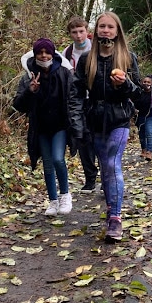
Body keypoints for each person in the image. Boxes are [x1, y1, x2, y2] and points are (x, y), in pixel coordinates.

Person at [70, 12, 141, 242]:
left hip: (120, 118)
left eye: (110, 27)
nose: (106, 30)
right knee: (105, 168)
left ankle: (116, 218)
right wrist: (77, 124)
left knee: (112, 163)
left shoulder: (128, 58)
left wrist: (124, 85)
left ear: (117, 31)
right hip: (95, 119)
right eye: (102, 26)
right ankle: (112, 208)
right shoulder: (86, 60)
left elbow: (140, 94)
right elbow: (76, 94)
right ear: (96, 30)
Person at [14, 38, 75, 216]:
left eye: (47, 52)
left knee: (58, 159)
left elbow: (74, 97)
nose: (43, 55)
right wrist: (30, 91)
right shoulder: (28, 76)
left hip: (60, 126)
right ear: (35, 54)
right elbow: (18, 104)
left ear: (53, 53)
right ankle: (53, 201)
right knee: (47, 165)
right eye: (40, 52)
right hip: (40, 127)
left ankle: (65, 195)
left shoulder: (64, 73)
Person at [62, 17, 98, 193]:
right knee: (83, 139)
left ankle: (107, 177)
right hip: (78, 101)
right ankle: (90, 179)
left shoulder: (97, 48)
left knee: (100, 139)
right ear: (70, 34)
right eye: (74, 32)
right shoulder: (66, 53)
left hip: (97, 99)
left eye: (81, 31)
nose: (78, 35)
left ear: (87, 30)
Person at [133, 75, 152, 160]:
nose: (146, 83)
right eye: (144, 82)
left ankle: (149, 151)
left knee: (150, 132)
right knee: (141, 134)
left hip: (151, 116)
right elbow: (134, 103)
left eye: (148, 82)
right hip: (140, 116)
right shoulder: (139, 92)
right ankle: (143, 150)